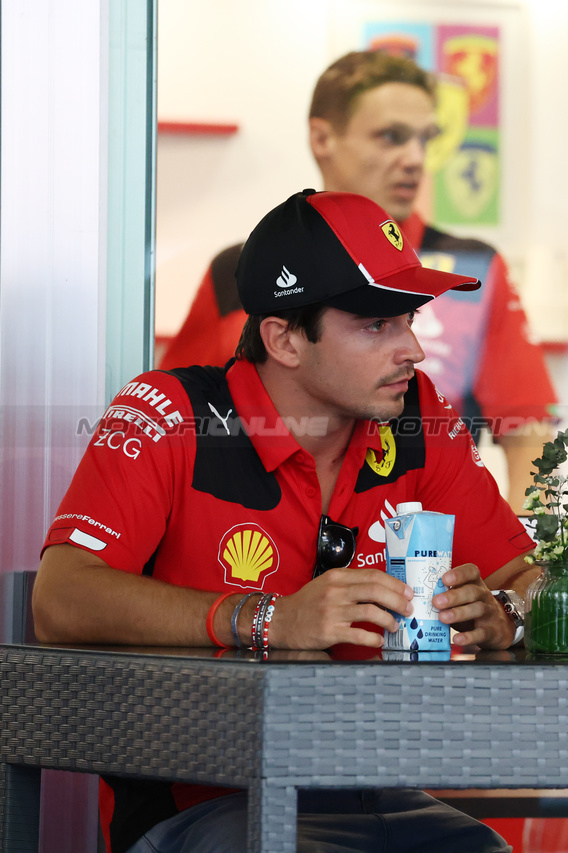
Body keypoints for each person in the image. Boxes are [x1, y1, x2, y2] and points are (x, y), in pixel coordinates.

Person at [33, 189, 541, 853]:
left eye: (410, 319)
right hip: (208, 804)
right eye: (376, 323)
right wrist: (269, 618)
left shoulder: (420, 418)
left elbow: (531, 578)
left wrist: (507, 611)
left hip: (379, 792)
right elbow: (60, 597)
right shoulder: (168, 414)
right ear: (284, 338)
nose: (413, 348)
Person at [160, 50, 555, 511]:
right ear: (322, 138)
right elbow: (181, 422)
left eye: (425, 139)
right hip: (262, 551)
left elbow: (529, 435)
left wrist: (525, 559)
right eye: (391, 137)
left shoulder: (473, 270)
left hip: (422, 557)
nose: (415, 159)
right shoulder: (240, 270)